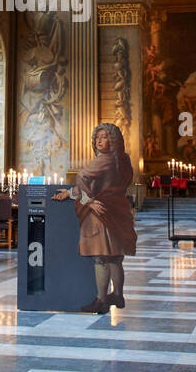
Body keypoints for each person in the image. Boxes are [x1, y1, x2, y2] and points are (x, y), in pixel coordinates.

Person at [51, 122, 136, 314]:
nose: (99, 140)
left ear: (113, 140)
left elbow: (81, 178)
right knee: (115, 257)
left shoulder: (103, 160)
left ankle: (101, 300)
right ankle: (118, 295)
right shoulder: (123, 160)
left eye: (104, 137)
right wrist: (77, 194)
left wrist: (86, 200)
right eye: (97, 137)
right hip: (118, 210)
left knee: (101, 258)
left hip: (101, 213)